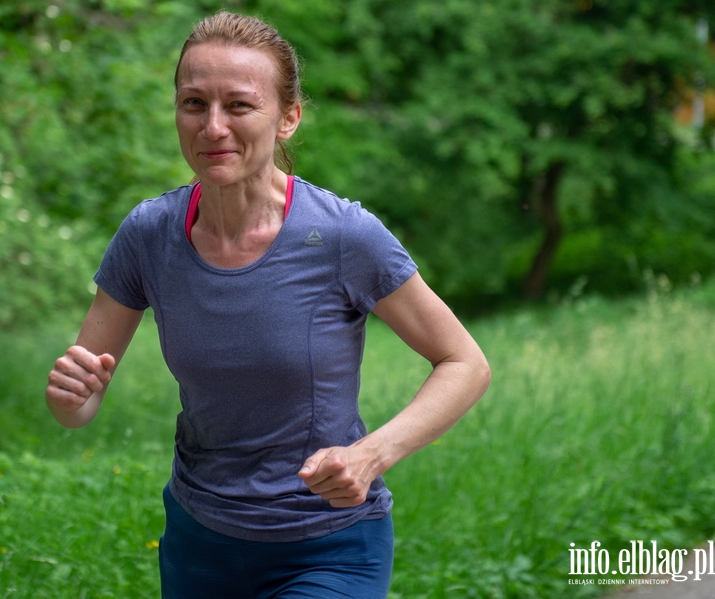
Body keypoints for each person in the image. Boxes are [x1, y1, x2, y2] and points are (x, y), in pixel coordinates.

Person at [46, 10, 490, 599]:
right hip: (200, 544)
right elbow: (80, 402)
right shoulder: (149, 234)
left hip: (328, 545)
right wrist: (73, 395)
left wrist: (371, 455)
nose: (212, 126)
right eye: (193, 103)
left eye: (239, 105)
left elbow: (465, 363)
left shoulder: (342, 236)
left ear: (288, 118)